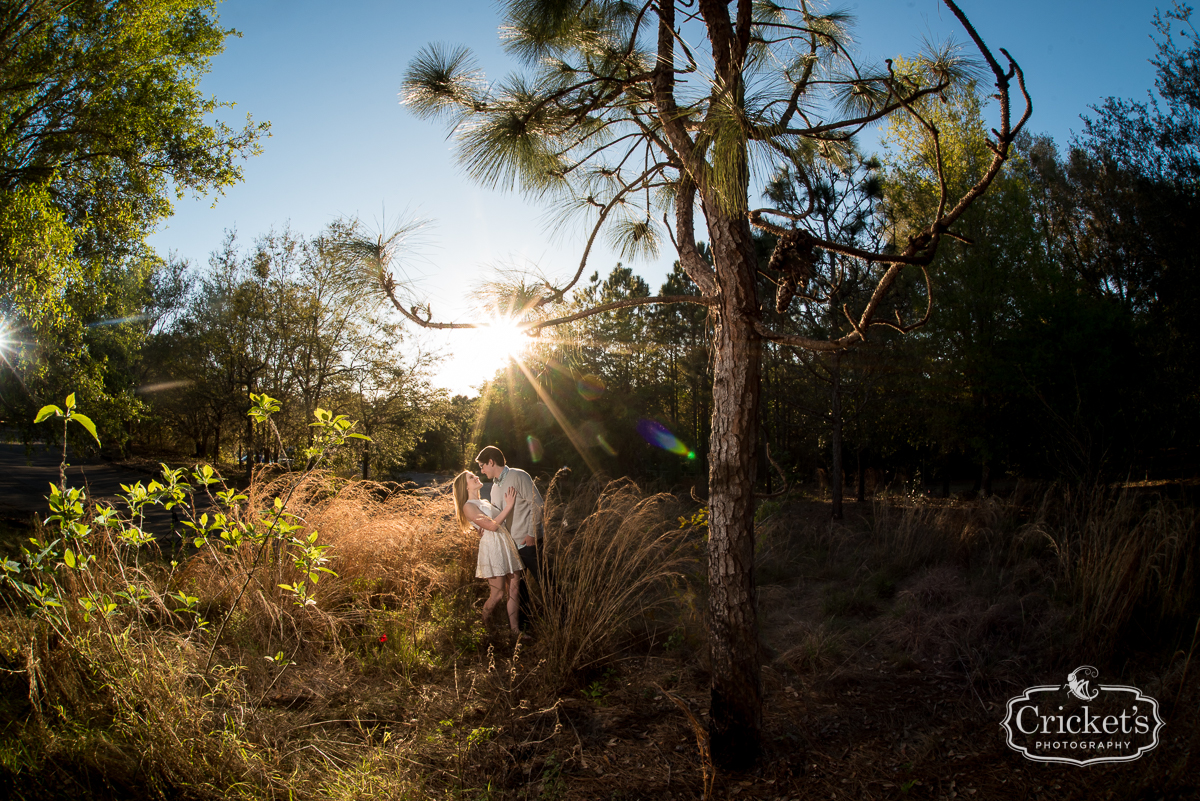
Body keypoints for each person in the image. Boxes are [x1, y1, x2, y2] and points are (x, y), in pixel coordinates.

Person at [476, 446, 543, 628]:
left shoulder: (519, 476)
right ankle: (526, 628)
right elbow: (499, 516)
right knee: (519, 590)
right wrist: (486, 527)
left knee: (545, 582)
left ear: (491, 462)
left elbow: (537, 504)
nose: (481, 470)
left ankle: (563, 619)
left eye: (482, 466)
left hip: (528, 542)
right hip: (511, 548)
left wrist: (531, 534)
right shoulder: (495, 487)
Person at [452, 470, 522, 635]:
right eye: (471, 477)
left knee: (514, 590)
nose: (476, 477)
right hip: (492, 548)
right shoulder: (468, 506)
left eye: (474, 475)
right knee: (497, 594)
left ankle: (515, 631)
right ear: (465, 486)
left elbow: (492, 523)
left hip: (505, 543)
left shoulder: (483, 501)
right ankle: (485, 625)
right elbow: (491, 526)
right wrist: (509, 505)